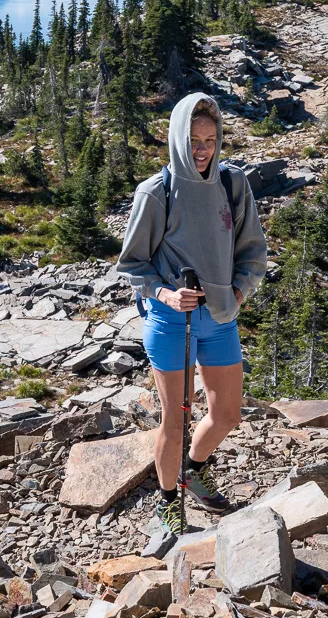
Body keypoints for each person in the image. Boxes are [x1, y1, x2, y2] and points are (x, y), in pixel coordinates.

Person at [116, 92, 268, 533]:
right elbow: (132, 264)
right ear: (178, 139)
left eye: (210, 139)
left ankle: (194, 470)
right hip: (171, 322)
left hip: (221, 317)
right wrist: (164, 295)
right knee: (176, 419)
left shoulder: (232, 183)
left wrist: (240, 292)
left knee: (227, 415)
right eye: (194, 139)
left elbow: (253, 250)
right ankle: (167, 504)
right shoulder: (156, 191)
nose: (203, 150)